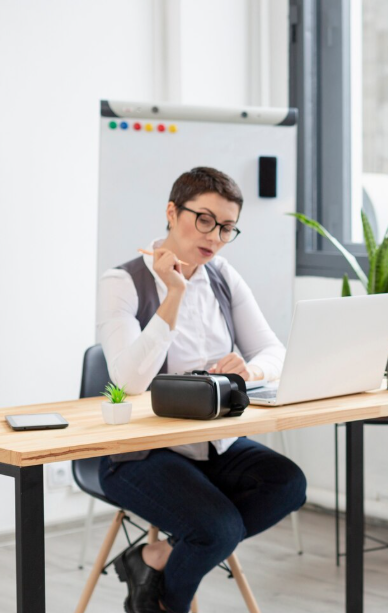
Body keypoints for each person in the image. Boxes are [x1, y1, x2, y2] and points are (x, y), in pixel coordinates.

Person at [96, 167, 306, 613]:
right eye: (205, 219)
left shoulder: (223, 276)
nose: (215, 236)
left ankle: (153, 558)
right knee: (217, 529)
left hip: (216, 444)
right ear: (172, 213)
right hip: (144, 453)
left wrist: (248, 369)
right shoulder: (122, 282)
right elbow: (128, 381)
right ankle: (161, 605)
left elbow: (274, 351)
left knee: (288, 485)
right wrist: (174, 292)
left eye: (227, 227)